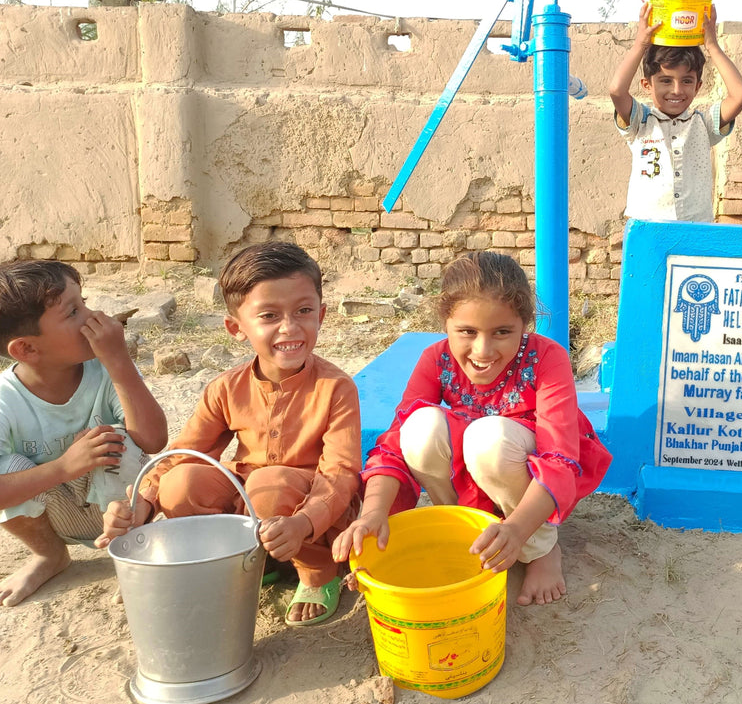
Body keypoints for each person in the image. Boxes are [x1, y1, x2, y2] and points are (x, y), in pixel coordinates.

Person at [96, 242, 362, 627]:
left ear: (321, 314)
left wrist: (303, 523)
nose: (290, 327)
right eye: (269, 315)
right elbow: (185, 452)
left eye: (303, 311)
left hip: (314, 510)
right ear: (236, 328)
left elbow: (340, 474)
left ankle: (317, 572)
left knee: (270, 485)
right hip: (253, 502)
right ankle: (256, 559)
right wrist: (141, 505)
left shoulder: (336, 388)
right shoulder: (224, 388)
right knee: (180, 483)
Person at [332, 252, 611, 606]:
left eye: (502, 333)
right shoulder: (436, 359)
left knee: (488, 440)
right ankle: (466, 530)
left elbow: (559, 459)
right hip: (478, 454)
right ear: (445, 323)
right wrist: (372, 513)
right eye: (466, 332)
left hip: (519, 459)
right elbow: (393, 446)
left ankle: (538, 547)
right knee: (418, 428)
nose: (483, 350)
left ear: (525, 325)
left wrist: (518, 529)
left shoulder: (547, 357)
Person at [0, 261, 167, 607]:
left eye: (84, 301)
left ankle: (129, 554)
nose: (94, 316)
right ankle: (50, 556)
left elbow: (154, 440)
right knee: (8, 469)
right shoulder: (5, 400)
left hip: (121, 510)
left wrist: (119, 361)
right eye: (74, 311)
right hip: (54, 511)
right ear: (27, 349)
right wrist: (64, 467)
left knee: (115, 437)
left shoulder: (106, 365)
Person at [609, 2, 742, 222]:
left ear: (698, 86)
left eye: (686, 81)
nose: (676, 90)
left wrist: (711, 45)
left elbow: (740, 94)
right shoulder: (640, 122)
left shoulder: (704, 125)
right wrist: (640, 43)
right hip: (648, 230)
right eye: (665, 81)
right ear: (647, 85)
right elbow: (617, 90)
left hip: (696, 229)